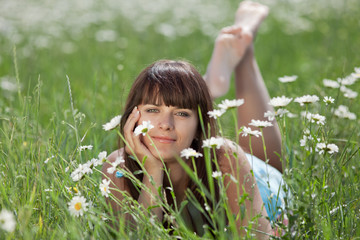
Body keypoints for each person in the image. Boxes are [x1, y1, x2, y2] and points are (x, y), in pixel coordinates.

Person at [102, 1, 285, 238]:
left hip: (259, 188)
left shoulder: (224, 158)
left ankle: (244, 52)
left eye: (182, 113)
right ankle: (214, 80)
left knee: (270, 164)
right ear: (132, 116)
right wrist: (152, 171)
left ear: (200, 125)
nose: (165, 124)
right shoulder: (118, 169)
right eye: (153, 110)